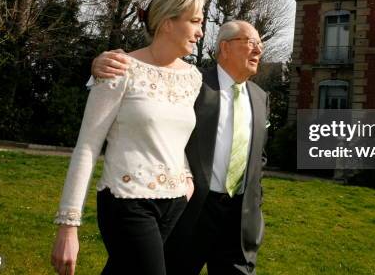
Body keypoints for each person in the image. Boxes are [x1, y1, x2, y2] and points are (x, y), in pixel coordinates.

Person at [92, 20, 269, 274]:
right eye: (251, 42)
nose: (258, 50)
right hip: (191, 214)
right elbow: (144, 86)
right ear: (225, 47)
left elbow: (259, 158)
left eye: (260, 44)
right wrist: (99, 68)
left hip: (239, 223)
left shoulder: (261, 97)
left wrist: (255, 202)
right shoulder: (191, 82)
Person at [51, 0, 206, 275]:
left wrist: (186, 178)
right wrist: (68, 226)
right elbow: (87, 146)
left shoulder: (193, 78)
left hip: (174, 204)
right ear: (168, 23)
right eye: (195, 21)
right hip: (126, 201)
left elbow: (176, 138)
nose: (200, 31)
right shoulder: (118, 68)